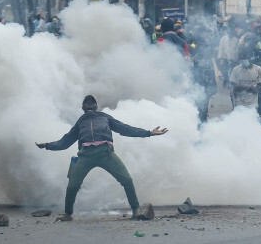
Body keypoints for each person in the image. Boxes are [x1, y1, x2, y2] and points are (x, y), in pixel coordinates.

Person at [35, 95, 168, 222]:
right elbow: (65, 142)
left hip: (106, 154)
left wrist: (149, 133)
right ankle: (68, 214)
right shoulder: (80, 122)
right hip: (85, 156)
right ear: (83, 107)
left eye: (92, 102)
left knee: (127, 180)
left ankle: (135, 210)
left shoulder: (105, 117)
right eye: (87, 103)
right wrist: (47, 145)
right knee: (72, 186)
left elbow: (125, 129)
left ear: (96, 106)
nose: (90, 104)